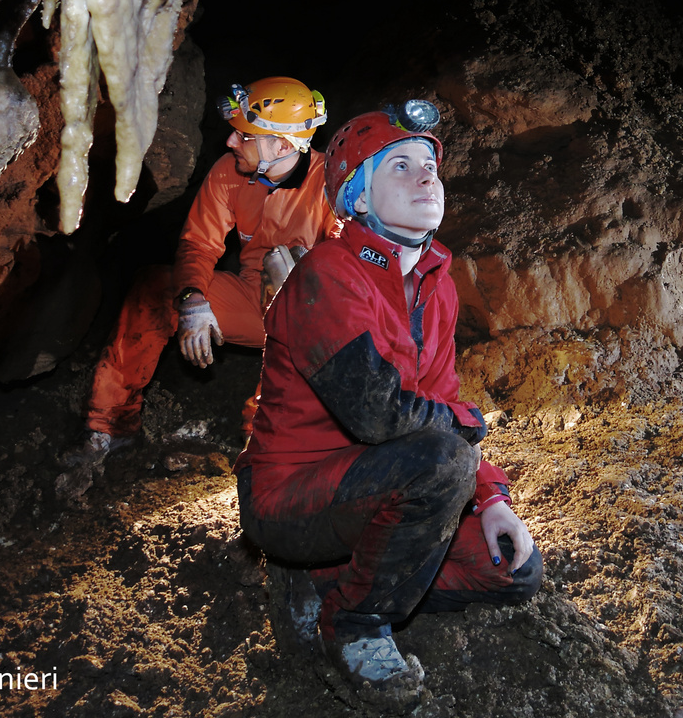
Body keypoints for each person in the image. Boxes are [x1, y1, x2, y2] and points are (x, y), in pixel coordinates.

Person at [235, 101, 542, 706]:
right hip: (290, 497)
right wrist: (463, 431)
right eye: (399, 166)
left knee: (510, 569)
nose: (426, 176)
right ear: (358, 196)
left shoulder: (437, 284)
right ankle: (353, 625)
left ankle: (324, 582)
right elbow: (379, 416)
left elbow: (439, 403)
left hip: (379, 482)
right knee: (439, 463)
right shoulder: (328, 273)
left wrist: (493, 497)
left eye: (429, 164)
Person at [61, 76, 340, 466]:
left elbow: (346, 284)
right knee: (155, 288)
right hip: (250, 300)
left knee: (296, 282)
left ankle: (264, 447)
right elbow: (200, 243)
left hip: (312, 318)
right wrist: (192, 298)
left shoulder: (333, 186)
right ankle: (109, 428)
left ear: (281, 144)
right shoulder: (230, 172)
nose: (230, 142)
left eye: (244, 136)